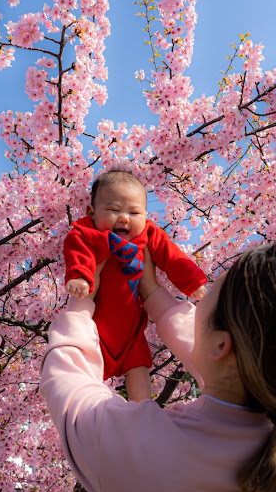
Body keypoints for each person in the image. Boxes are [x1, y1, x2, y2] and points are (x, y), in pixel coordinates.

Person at [41, 243, 276, 492]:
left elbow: (69, 379)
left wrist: (82, 301)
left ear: (221, 345)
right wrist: (151, 292)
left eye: (211, 292)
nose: (198, 298)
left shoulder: (138, 450)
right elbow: (232, 358)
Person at [63, 169, 207, 401]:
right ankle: (95, 408)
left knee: (138, 367)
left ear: (146, 215)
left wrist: (191, 281)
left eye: (134, 212)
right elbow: (77, 248)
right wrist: (80, 276)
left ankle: (141, 408)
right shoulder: (87, 232)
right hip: (95, 327)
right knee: (86, 366)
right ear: (92, 212)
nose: (125, 218)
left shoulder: (149, 234)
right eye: (113, 210)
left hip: (131, 331)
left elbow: (171, 256)